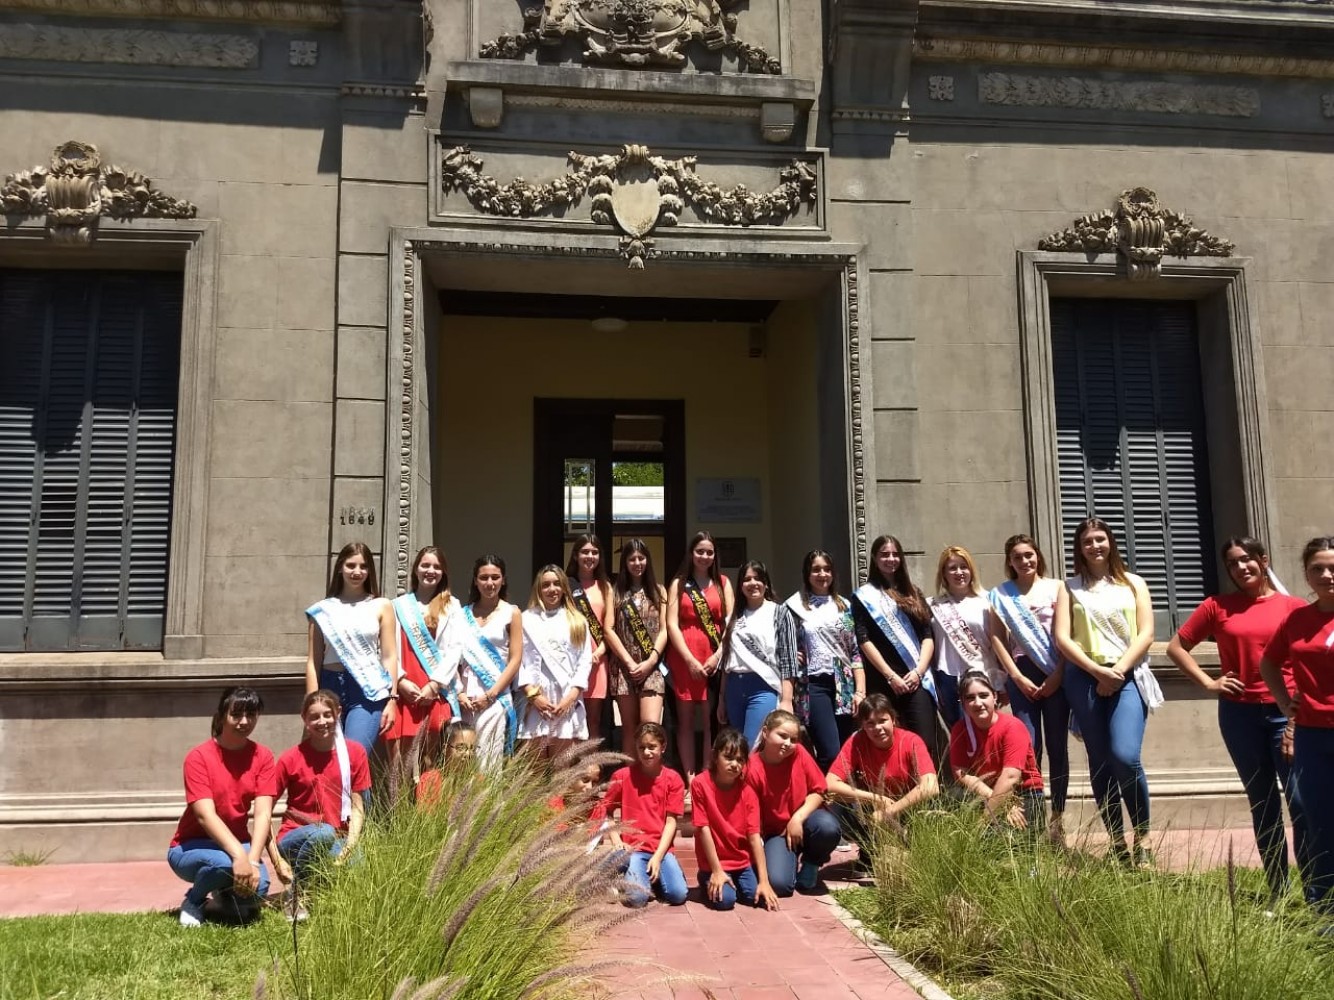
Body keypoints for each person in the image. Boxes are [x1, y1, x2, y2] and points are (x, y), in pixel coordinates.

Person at [1169, 536, 1308, 903]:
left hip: (1287, 715)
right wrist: (1208, 682)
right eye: (1232, 563)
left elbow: (1309, 666)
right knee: (1262, 803)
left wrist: (1295, 716)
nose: (1241, 568)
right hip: (1239, 714)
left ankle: (1316, 893)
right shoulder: (1218, 606)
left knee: (1301, 801)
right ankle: (1278, 892)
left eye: (1247, 560)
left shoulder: (1293, 608)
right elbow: (1176, 647)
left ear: (1264, 560)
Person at [1054, 517, 1158, 865]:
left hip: (1126, 676)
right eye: (1087, 541)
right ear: (1079, 548)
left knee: (1126, 757)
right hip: (1085, 677)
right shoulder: (1069, 588)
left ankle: (1142, 838)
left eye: (1100, 539)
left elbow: (1146, 634)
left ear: (1110, 542)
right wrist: (1097, 671)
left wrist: (1117, 671)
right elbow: (1063, 638)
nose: (1095, 546)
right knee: (1100, 763)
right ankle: (1117, 842)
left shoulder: (1134, 584)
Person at [1261, 536, 1334, 915]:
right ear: (1306, 574)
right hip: (1311, 732)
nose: (1326, 575)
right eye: (1317, 568)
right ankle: (1323, 906)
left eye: (1331, 568)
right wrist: (1286, 703)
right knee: (1313, 815)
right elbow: (1269, 663)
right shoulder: (1297, 619)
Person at [167, 687, 277, 927]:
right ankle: (194, 900)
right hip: (190, 846)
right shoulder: (198, 757)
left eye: (251, 715)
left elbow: (263, 814)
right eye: (236, 715)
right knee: (225, 865)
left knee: (261, 886)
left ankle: (222, 897)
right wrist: (239, 856)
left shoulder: (263, 756)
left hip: (238, 841)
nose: (244, 721)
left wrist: (254, 861)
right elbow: (205, 816)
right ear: (221, 717)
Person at [988, 534, 1070, 844]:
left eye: (1029, 555)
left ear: (1038, 556)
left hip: (1055, 672)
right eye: (1018, 557)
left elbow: (1067, 634)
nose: (1025, 561)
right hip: (1021, 673)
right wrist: (1016, 678)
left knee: (1058, 748)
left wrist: (1058, 674)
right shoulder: (1000, 595)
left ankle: (1057, 820)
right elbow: (997, 638)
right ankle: (1033, 822)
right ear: (1010, 562)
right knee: (1028, 748)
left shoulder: (1057, 588)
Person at [271, 690, 371, 920]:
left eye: (328, 714)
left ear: (338, 713)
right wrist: (275, 858)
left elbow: (358, 807)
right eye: (314, 716)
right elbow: (265, 808)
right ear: (304, 719)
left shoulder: (355, 753)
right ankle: (298, 892)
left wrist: (350, 845)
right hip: (295, 837)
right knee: (323, 833)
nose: (322, 722)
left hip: (338, 836)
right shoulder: (291, 758)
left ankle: (318, 883)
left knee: (360, 868)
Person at [852, 534, 948, 766]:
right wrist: (890, 676)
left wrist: (918, 672)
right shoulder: (864, 596)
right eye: (885, 554)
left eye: (895, 554)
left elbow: (927, 635)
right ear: (875, 558)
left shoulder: (913, 592)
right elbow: (863, 639)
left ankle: (927, 793)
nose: (891, 559)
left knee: (925, 741)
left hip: (916, 680)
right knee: (886, 743)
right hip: (883, 681)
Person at [305, 542, 398, 755]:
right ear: (340, 567)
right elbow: (313, 661)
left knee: (355, 756)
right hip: (329, 685)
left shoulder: (382, 605)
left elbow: (390, 656)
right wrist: (312, 702)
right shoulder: (322, 610)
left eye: (363, 566)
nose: (357, 572)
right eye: (351, 565)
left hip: (368, 690)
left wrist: (392, 700)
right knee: (331, 759)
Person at [825, 694, 939, 863]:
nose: (877, 728)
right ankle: (868, 851)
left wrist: (889, 811)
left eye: (882, 720)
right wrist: (875, 799)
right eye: (870, 723)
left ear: (893, 719)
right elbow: (829, 784)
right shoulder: (857, 740)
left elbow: (931, 786)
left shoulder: (911, 740)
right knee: (835, 799)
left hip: (908, 808)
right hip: (872, 808)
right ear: (862, 726)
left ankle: (912, 848)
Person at [743, 709, 842, 895]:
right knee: (780, 885)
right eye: (782, 736)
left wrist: (797, 818)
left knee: (828, 827)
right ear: (765, 732)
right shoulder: (752, 768)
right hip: (776, 833)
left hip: (804, 822)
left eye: (794, 739)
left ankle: (812, 862)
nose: (788, 744)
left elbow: (819, 790)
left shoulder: (799, 753)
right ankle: (788, 856)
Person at [784, 550, 865, 773]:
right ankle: (820, 799)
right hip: (814, 685)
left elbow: (855, 652)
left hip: (844, 686)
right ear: (807, 574)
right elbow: (783, 647)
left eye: (827, 569)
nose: (822, 574)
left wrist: (860, 691)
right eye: (816, 569)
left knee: (847, 753)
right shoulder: (793, 607)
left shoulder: (845, 606)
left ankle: (844, 805)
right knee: (829, 751)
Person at [386, 546, 463, 776]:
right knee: (401, 762)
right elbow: (387, 648)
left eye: (437, 567)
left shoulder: (452, 605)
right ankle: (402, 809)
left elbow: (455, 649)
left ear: (444, 573)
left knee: (432, 760)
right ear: (415, 570)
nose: (431, 571)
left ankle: (428, 808)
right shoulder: (397, 606)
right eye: (425, 565)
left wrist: (434, 685)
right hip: (405, 690)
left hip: (435, 692)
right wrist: (399, 680)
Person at [666, 531, 735, 779]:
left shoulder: (723, 583)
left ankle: (706, 775)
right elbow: (671, 624)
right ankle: (689, 777)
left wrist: (717, 656)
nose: (704, 556)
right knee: (685, 721)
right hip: (684, 658)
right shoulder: (678, 583)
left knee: (710, 721)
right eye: (700, 551)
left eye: (709, 552)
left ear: (715, 555)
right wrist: (689, 660)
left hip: (713, 658)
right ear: (691, 554)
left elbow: (730, 622)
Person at [601, 721, 689, 907]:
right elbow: (606, 810)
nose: (647, 752)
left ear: (662, 747)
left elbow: (671, 822)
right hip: (633, 850)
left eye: (652, 747)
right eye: (642, 747)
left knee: (678, 895)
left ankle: (648, 877)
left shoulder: (673, 779)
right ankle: (622, 873)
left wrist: (658, 857)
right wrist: (616, 840)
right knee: (637, 899)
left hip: (661, 850)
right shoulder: (623, 776)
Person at [691, 728, 780, 911]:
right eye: (728, 757)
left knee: (755, 898)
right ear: (715, 757)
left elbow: (754, 837)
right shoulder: (700, 784)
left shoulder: (748, 792)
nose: (734, 764)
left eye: (740, 760)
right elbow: (703, 829)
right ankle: (706, 878)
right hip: (715, 862)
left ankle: (737, 881)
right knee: (726, 902)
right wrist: (716, 870)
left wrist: (764, 882)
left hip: (741, 861)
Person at [950, 672, 1046, 833]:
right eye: (970, 698)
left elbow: (1011, 777)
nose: (978, 702)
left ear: (994, 697)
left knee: (1003, 839)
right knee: (953, 800)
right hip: (987, 792)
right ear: (963, 704)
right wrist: (998, 799)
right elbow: (960, 772)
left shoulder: (1013, 727)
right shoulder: (959, 730)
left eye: (983, 695)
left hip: (1024, 794)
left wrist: (983, 821)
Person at [518, 566, 594, 765]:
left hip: (566, 701)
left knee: (562, 770)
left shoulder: (577, 621)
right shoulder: (526, 619)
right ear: (538, 589)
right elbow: (517, 662)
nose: (552, 589)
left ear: (564, 587)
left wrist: (570, 698)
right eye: (546, 585)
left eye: (556, 584)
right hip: (535, 702)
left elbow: (584, 662)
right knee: (534, 773)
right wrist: (533, 696)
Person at [718, 561, 798, 747]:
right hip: (734, 688)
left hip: (764, 687)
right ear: (740, 585)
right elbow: (726, 661)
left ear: (766, 583)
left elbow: (789, 660)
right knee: (736, 749)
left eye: (757, 578)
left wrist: (787, 700)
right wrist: (721, 699)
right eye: (747, 579)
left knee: (753, 745)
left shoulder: (780, 613)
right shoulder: (733, 618)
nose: (753, 583)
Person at [455, 555, 523, 772]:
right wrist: (459, 693)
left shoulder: (511, 612)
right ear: (475, 581)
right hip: (464, 699)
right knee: (461, 762)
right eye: (484, 578)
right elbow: (452, 657)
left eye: (495, 577)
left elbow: (515, 659)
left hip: (495, 698)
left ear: (503, 580)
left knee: (488, 763)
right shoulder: (462, 614)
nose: (489, 583)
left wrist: (491, 694)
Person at [604, 539, 669, 757]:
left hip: (651, 667)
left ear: (648, 561)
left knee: (650, 728)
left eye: (641, 558)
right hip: (625, 668)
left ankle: (650, 780)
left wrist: (651, 661)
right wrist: (630, 663)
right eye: (632, 559)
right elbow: (609, 629)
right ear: (625, 563)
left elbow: (664, 630)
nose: (637, 563)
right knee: (629, 730)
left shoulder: (659, 592)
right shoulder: (615, 593)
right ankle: (630, 781)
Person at [928, 545, 1002, 727]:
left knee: (984, 732)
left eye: (963, 566)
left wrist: (1003, 683)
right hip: (947, 677)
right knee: (958, 733)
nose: (959, 572)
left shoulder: (988, 600)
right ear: (943, 574)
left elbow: (1000, 643)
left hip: (982, 674)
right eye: (952, 568)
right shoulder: (933, 605)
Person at [565, 534, 613, 745]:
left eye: (594, 552)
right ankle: (570, 773)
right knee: (569, 717)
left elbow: (609, 628)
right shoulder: (565, 585)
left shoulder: (605, 587)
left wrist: (598, 653)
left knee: (593, 720)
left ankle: (590, 772)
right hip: (569, 661)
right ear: (576, 555)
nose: (590, 556)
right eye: (585, 551)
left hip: (597, 660)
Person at [417, 720, 479, 807]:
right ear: (445, 749)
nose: (468, 754)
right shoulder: (430, 781)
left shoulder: (479, 782)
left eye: (472, 748)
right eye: (461, 747)